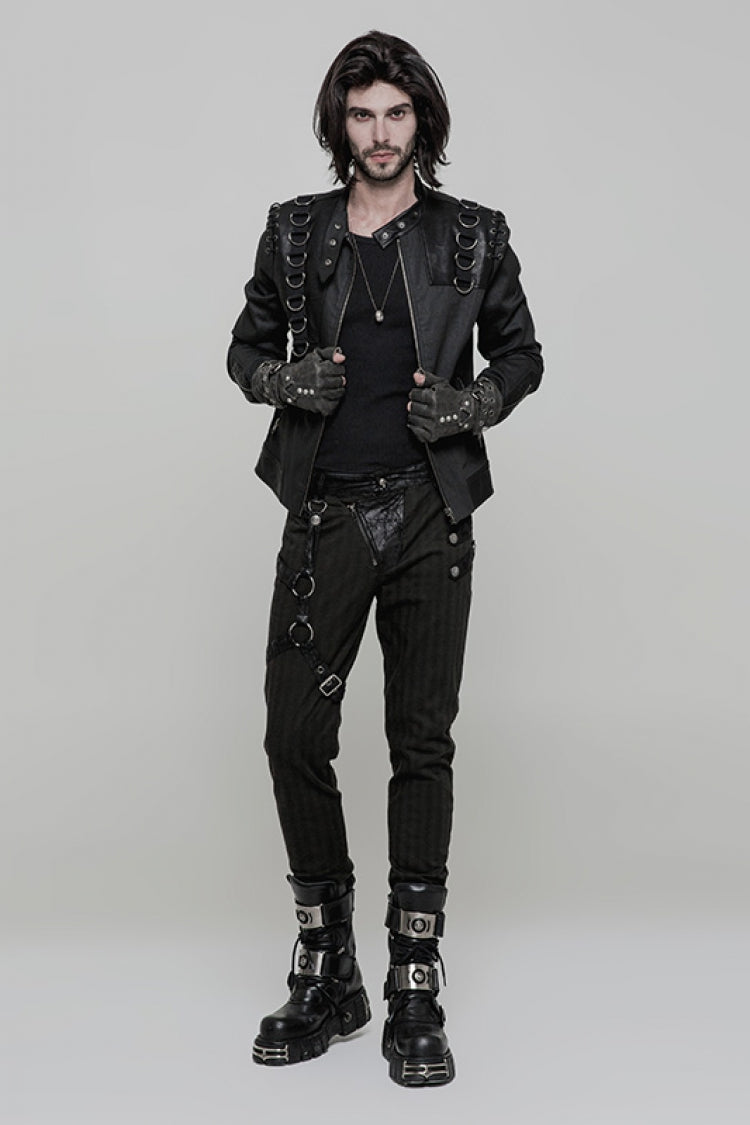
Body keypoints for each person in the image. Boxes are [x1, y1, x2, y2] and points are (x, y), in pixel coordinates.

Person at [226, 29, 543, 1088]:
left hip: (427, 518)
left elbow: (524, 353)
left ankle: (413, 981)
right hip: (322, 516)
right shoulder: (294, 232)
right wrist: (282, 381)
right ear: (340, 124)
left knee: (421, 741)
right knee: (292, 734)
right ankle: (329, 969)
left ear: (422, 122)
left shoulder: (471, 237)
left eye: (396, 113)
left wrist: (474, 402)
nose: (379, 133)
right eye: (362, 114)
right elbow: (242, 347)